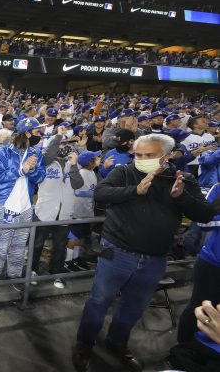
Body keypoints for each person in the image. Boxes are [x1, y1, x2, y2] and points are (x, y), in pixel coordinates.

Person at [72, 134, 217, 372]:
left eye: (149, 155)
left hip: (154, 259)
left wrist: (182, 197)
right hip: (117, 253)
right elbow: (101, 194)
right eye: (138, 155)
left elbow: (204, 214)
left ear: (167, 156)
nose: (142, 159)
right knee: (98, 302)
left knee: (133, 307)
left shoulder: (184, 179)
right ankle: (84, 345)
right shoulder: (125, 173)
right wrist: (134, 191)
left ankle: (117, 343)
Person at [0, 118, 45, 292]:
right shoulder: (4, 151)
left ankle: (14, 276)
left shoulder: (36, 153)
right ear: (27, 133)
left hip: (26, 208)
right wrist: (21, 170)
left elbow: (41, 177)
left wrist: (33, 170)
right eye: (37, 132)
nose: (40, 135)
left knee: (19, 247)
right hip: (7, 207)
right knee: (0, 245)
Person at [33, 127, 83, 288]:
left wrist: (74, 165)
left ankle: (57, 274)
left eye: (65, 144)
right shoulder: (45, 162)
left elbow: (78, 184)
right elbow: (49, 152)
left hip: (64, 213)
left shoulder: (71, 165)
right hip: (45, 211)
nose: (62, 147)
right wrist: (59, 135)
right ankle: (32, 270)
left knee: (60, 246)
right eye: (60, 145)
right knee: (37, 244)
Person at [177, 183, 220, 343]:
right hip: (212, 264)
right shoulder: (218, 188)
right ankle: (182, 350)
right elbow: (203, 222)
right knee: (199, 306)